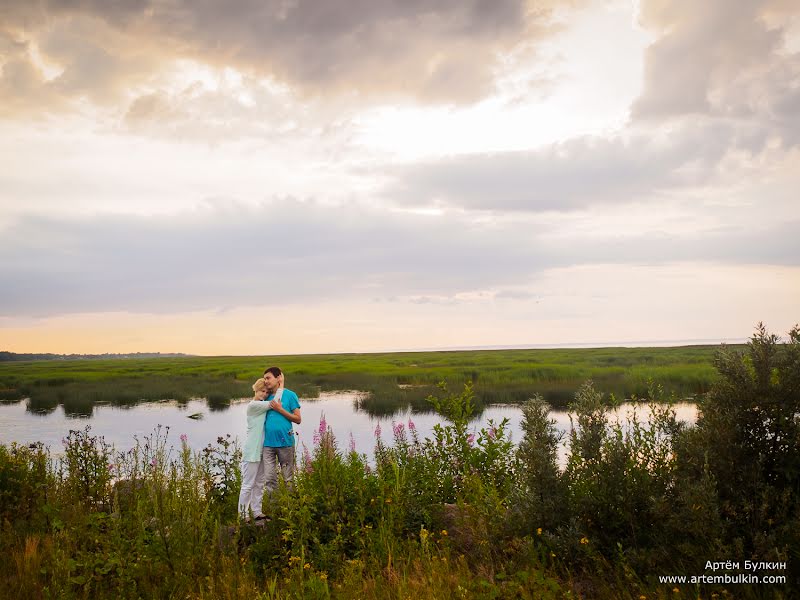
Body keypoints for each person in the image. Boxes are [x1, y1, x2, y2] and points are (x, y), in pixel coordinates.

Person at [237, 375, 283, 520]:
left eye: (266, 392)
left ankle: (256, 512)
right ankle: (243, 516)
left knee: (259, 483)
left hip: (263, 450)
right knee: (247, 484)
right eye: (261, 391)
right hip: (252, 451)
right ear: (256, 391)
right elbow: (275, 403)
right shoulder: (254, 406)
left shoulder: (262, 405)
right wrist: (281, 385)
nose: (264, 394)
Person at [261, 366, 301, 498]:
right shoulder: (263, 396)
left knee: (288, 479)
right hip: (267, 445)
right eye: (264, 378)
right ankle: (275, 512)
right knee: (269, 480)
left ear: (278, 378)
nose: (266, 381)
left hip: (285, 443)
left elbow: (298, 419)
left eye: (268, 378)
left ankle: (292, 508)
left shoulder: (290, 395)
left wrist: (280, 409)